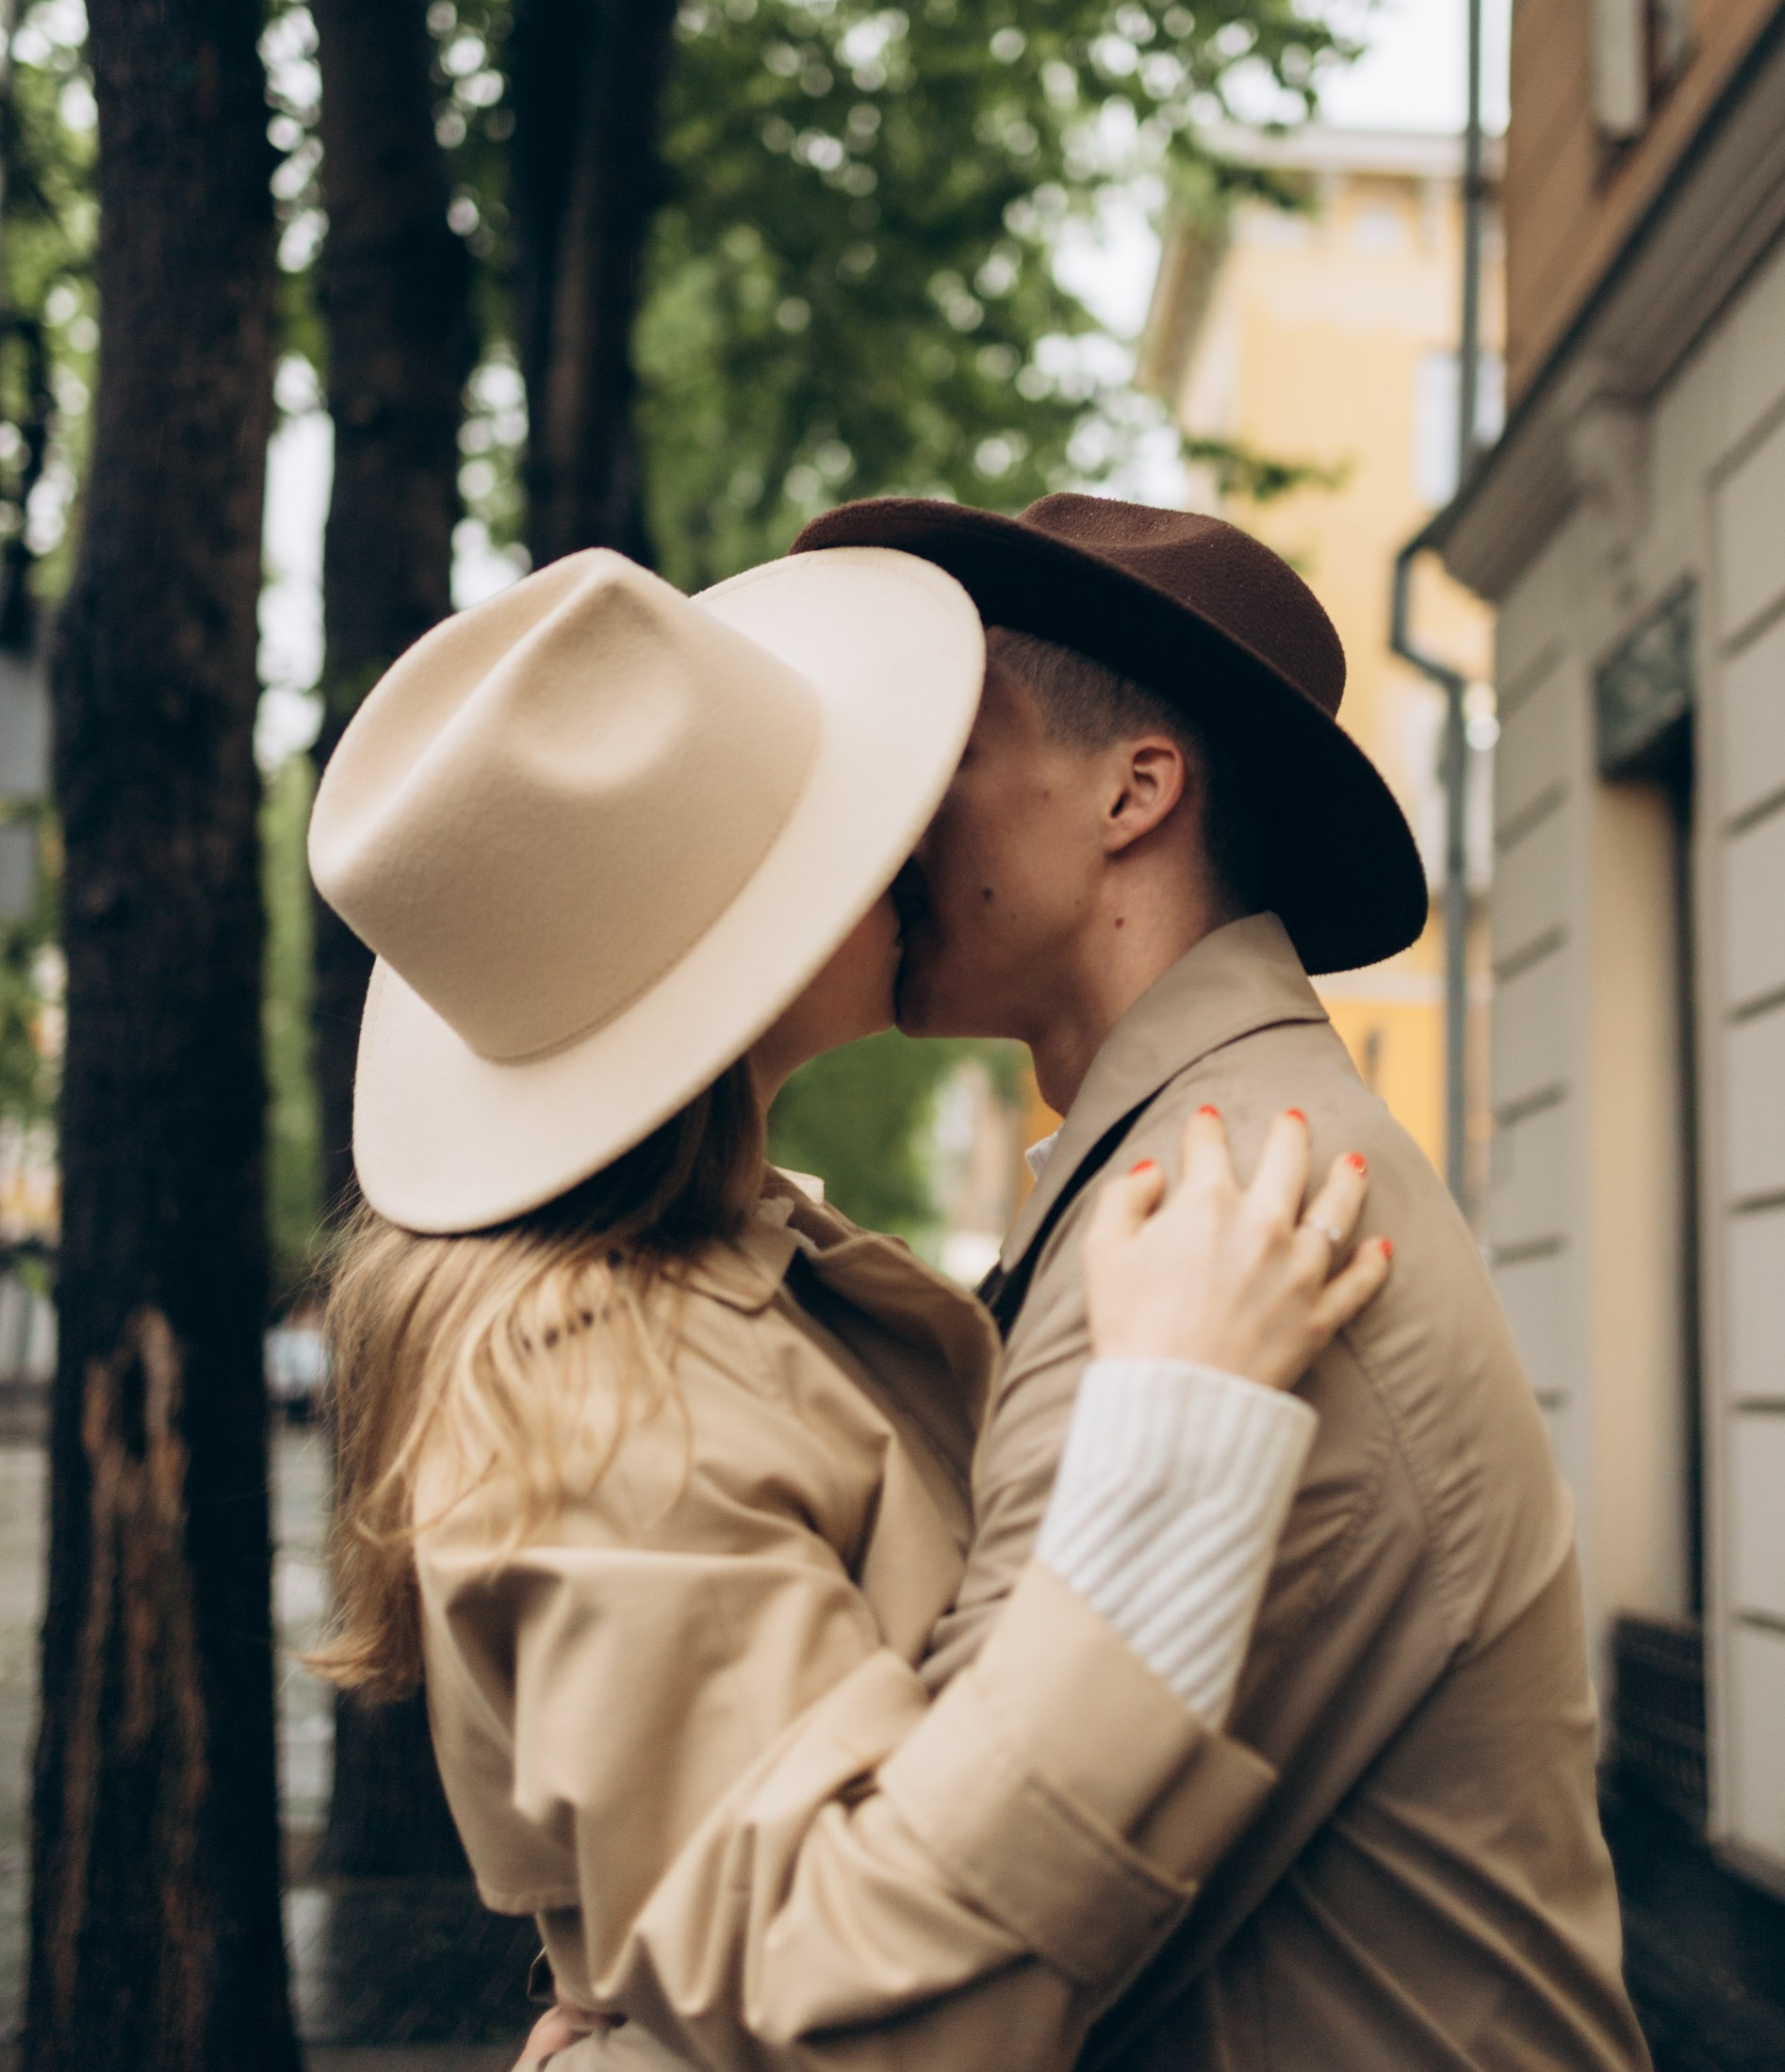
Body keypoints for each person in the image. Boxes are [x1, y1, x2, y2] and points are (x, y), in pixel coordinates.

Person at [306, 543, 1391, 2072]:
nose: (912, 828)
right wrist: (1176, 1447)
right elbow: (846, 2008)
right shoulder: (586, 1381)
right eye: (848, 815)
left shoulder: (756, 1262)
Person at [792, 491, 1653, 2072]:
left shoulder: (1233, 1206)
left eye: (952, 743)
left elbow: (961, 1945)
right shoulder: (1177, 1165)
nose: (898, 809)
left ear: (1134, 792)